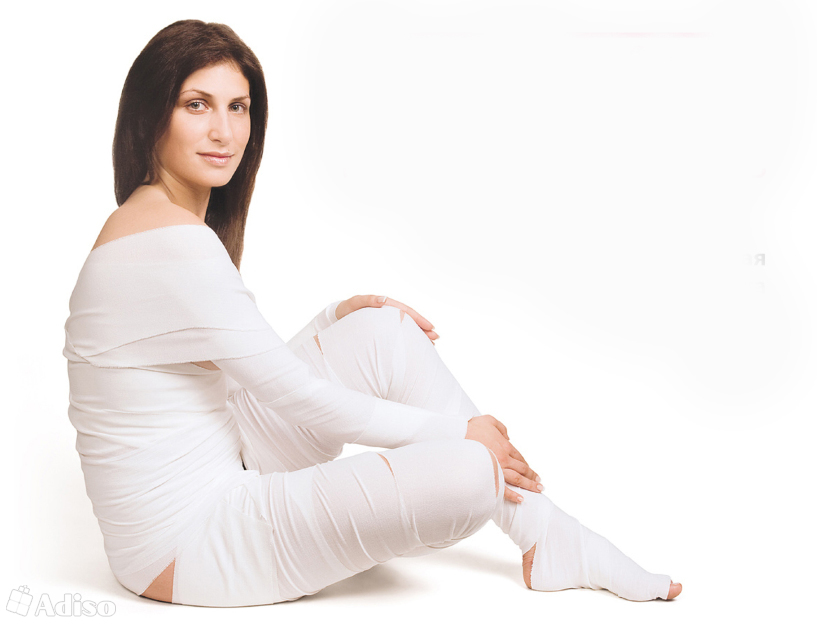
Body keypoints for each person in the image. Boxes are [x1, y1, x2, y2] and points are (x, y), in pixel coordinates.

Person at [63, 19, 682, 607]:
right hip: (191, 545)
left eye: (239, 107)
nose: (224, 131)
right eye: (197, 105)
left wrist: (334, 318)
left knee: (382, 332)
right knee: (472, 470)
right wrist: (456, 434)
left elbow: (237, 376)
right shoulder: (172, 242)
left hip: (224, 471)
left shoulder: (152, 223)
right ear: (151, 116)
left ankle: (548, 536)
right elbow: (293, 394)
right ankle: (547, 532)